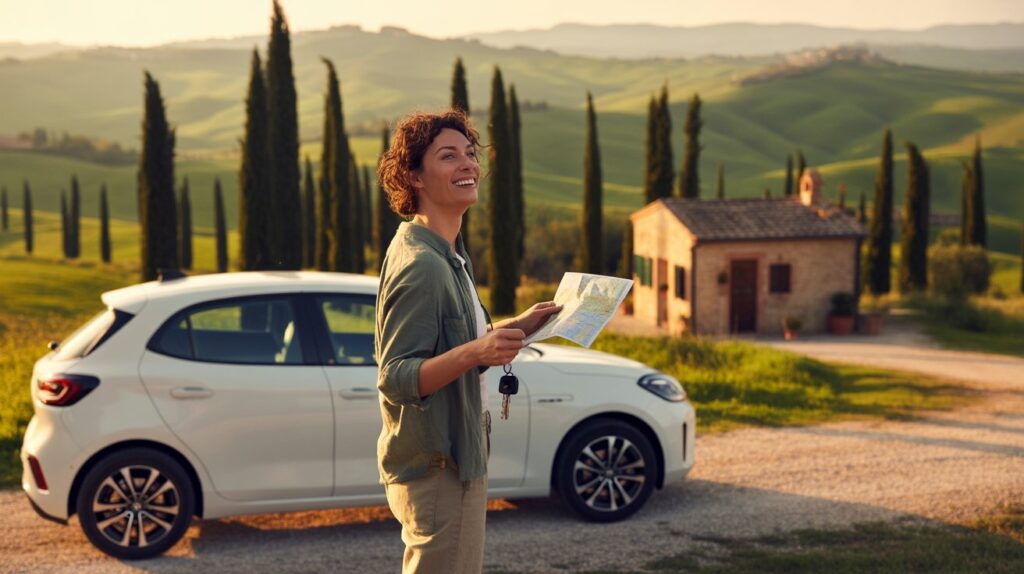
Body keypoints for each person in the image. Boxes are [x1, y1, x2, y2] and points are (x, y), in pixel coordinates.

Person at [374, 109, 561, 573]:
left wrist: (520, 324)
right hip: (440, 466)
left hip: (457, 455)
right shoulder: (423, 265)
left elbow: (455, 347)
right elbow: (396, 378)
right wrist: (477, 351)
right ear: (414, 175)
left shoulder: (448, 253)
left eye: (470, 154)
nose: (468, 165)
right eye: (448, 156)